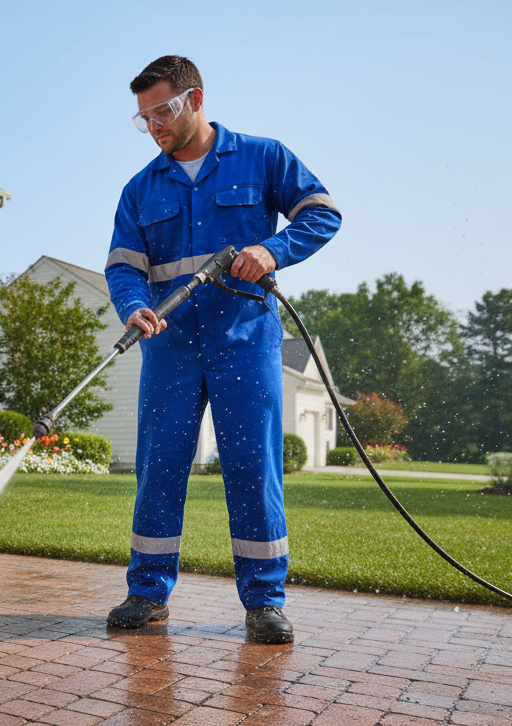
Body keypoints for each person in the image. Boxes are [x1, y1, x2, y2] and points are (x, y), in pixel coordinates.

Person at [104, 55, 341, 643]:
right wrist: (132, 305)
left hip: (245, 339)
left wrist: (274, 250)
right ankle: (147, 593)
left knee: (253, 466)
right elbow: (123, 266)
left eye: (162, 110)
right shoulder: (140, 189)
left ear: (195, 99)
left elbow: (323, 214)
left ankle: (264, 601)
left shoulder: (263, 157)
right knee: (159, 467)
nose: (154, 125)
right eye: (144, 118)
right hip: (169, 345)